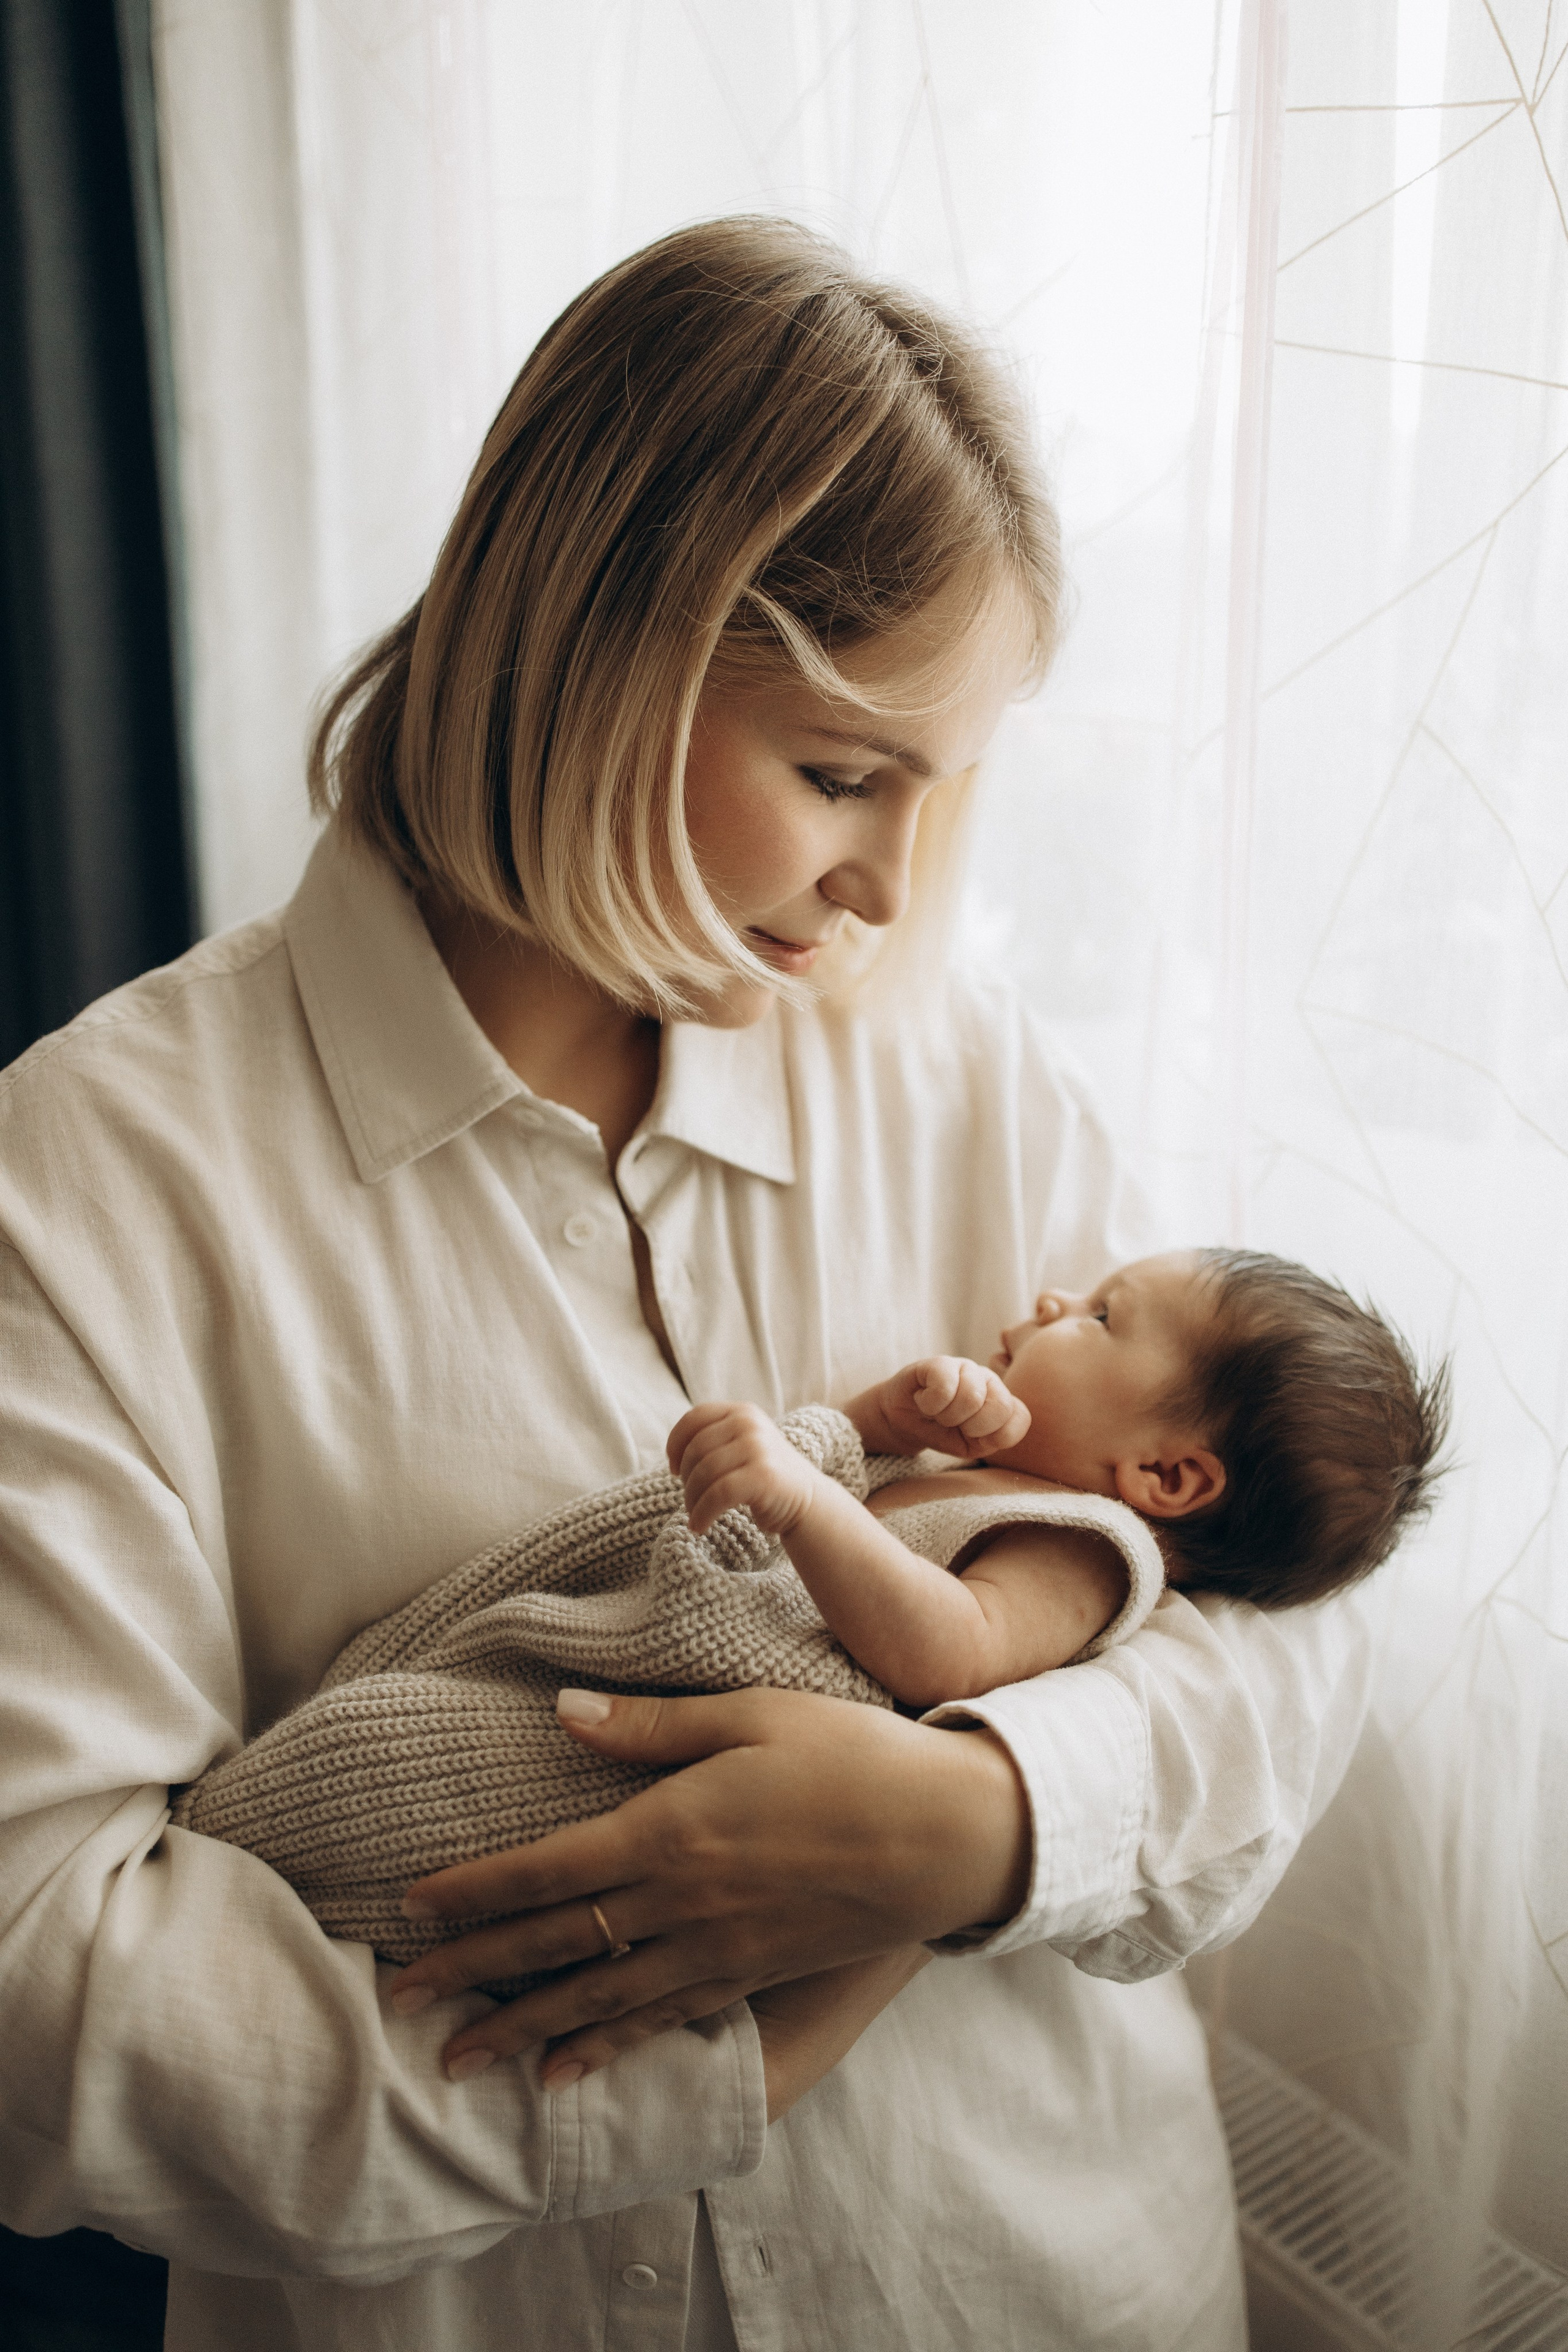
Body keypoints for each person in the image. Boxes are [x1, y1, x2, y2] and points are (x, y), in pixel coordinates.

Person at [0, 217, 1371, 2351]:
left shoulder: (961, 1065)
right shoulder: (94, 1176)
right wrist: (725, 2058)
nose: (898, 883)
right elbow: (51, 1996)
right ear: (597, 648)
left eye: (950, 784)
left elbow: (1284, 1612)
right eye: (842, 774)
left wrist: (979, 1827)